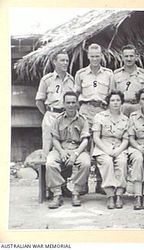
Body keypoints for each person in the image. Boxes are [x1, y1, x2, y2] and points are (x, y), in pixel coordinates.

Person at [35, 49, 75, 198]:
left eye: (66, 60)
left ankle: (62, 186)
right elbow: (39, 100)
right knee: (48, 152)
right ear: (54, 62)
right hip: (51, 115)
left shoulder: (71, 79)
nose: (65, 63)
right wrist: (47, 113)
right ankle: (50, 189)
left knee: (65, 150)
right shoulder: (47, 79)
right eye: (62, 60)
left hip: (66, 118)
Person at [75, 43, 114, 194]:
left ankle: (100, 182)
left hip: (102, 110)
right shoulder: (81, 74)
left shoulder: (108, 74)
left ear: (101, 56)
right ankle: (83, 184)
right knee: (84, 145)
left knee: (101, 146)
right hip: (86, 110)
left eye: (97, 56)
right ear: (88, 56)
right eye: (92, 56)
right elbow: (76, 94)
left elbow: (112, 95)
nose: (95, 59)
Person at [46, 91, 91, 209]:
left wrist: (75, 154)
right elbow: (55, 139)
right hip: (61, 148)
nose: (71, 105)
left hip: (78, 149)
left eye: (73, 102)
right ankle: (57, 194)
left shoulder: (83, 120)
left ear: (77, 104)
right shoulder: (58, 119)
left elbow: (85, 141)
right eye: (68, 103)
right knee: (50, 163)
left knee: (86, 163)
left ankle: (76, 192)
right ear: (64, 104)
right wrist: (61, 151)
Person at [92, 91, 129, 209]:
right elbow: (96, 138)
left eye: (118, 100)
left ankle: (119, 195)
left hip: (119, 147)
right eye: (112, 100)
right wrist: (106, 150)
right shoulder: (100, 117)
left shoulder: (125, 119)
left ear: (121, 102)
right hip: (103, 146)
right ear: (108, 102)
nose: (115, 103)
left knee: (122, 162)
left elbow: (126, 139)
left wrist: (119, 150)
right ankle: (109, 195)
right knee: (107, 162)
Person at [112, 44, 144, 117]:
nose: (129, 59)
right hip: (121, 108)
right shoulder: (115, 75)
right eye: (126, 56)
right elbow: (112, 95)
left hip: (138, 107)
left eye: (131, 56)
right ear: (122, 57)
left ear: (136, 57)